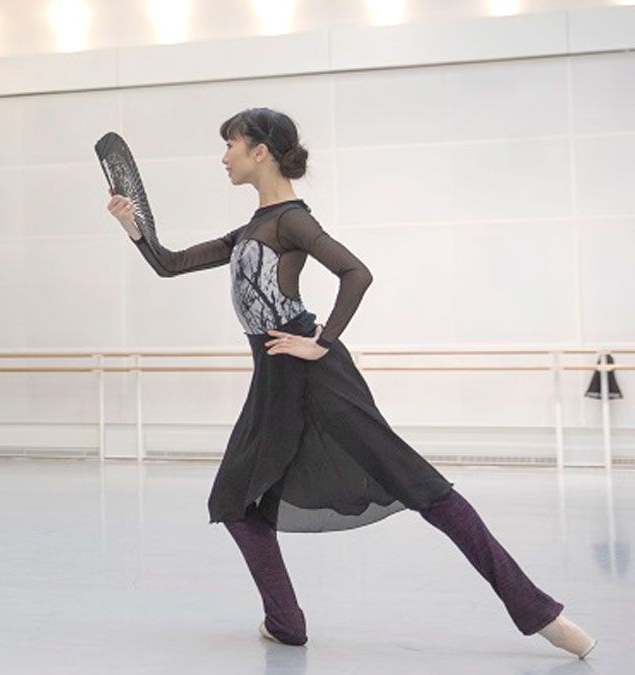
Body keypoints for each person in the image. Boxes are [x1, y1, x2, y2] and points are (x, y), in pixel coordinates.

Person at [105, 107, 596, 659]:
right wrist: (135, 231)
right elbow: (170, 264)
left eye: (232, 145)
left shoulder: (291, 219)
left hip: (318, 375)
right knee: (236, 500)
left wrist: (321, 340)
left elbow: (356, 272)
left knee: (422, 488)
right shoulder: (251, 228)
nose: (224, 157)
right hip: (273, 379)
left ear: (260, 151)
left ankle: (539, 612)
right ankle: (286, 622)